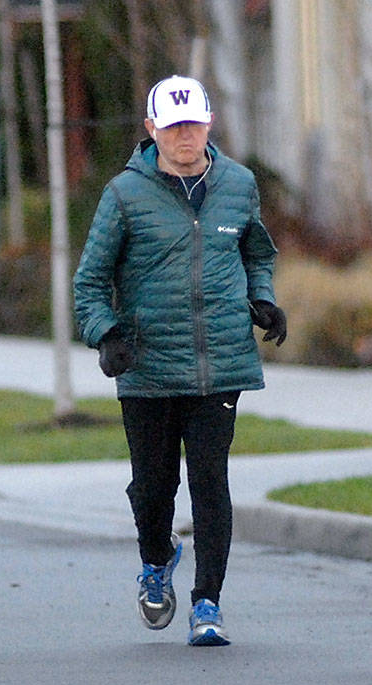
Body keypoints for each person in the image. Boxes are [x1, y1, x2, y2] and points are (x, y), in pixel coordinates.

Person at [73, 75, 285, 647]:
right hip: (146, 366)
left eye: (193, 125)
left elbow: (256, 252)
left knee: (210, 481)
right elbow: (89, 282)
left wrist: (262, 297)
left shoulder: (238, 185)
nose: (185, 137)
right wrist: (106, 334)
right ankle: (157, 556)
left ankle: (207, 603)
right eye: (172, 127)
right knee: (151, 487)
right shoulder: (124, 195)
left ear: (209, 124)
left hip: (220, 363)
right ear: (152, 130)